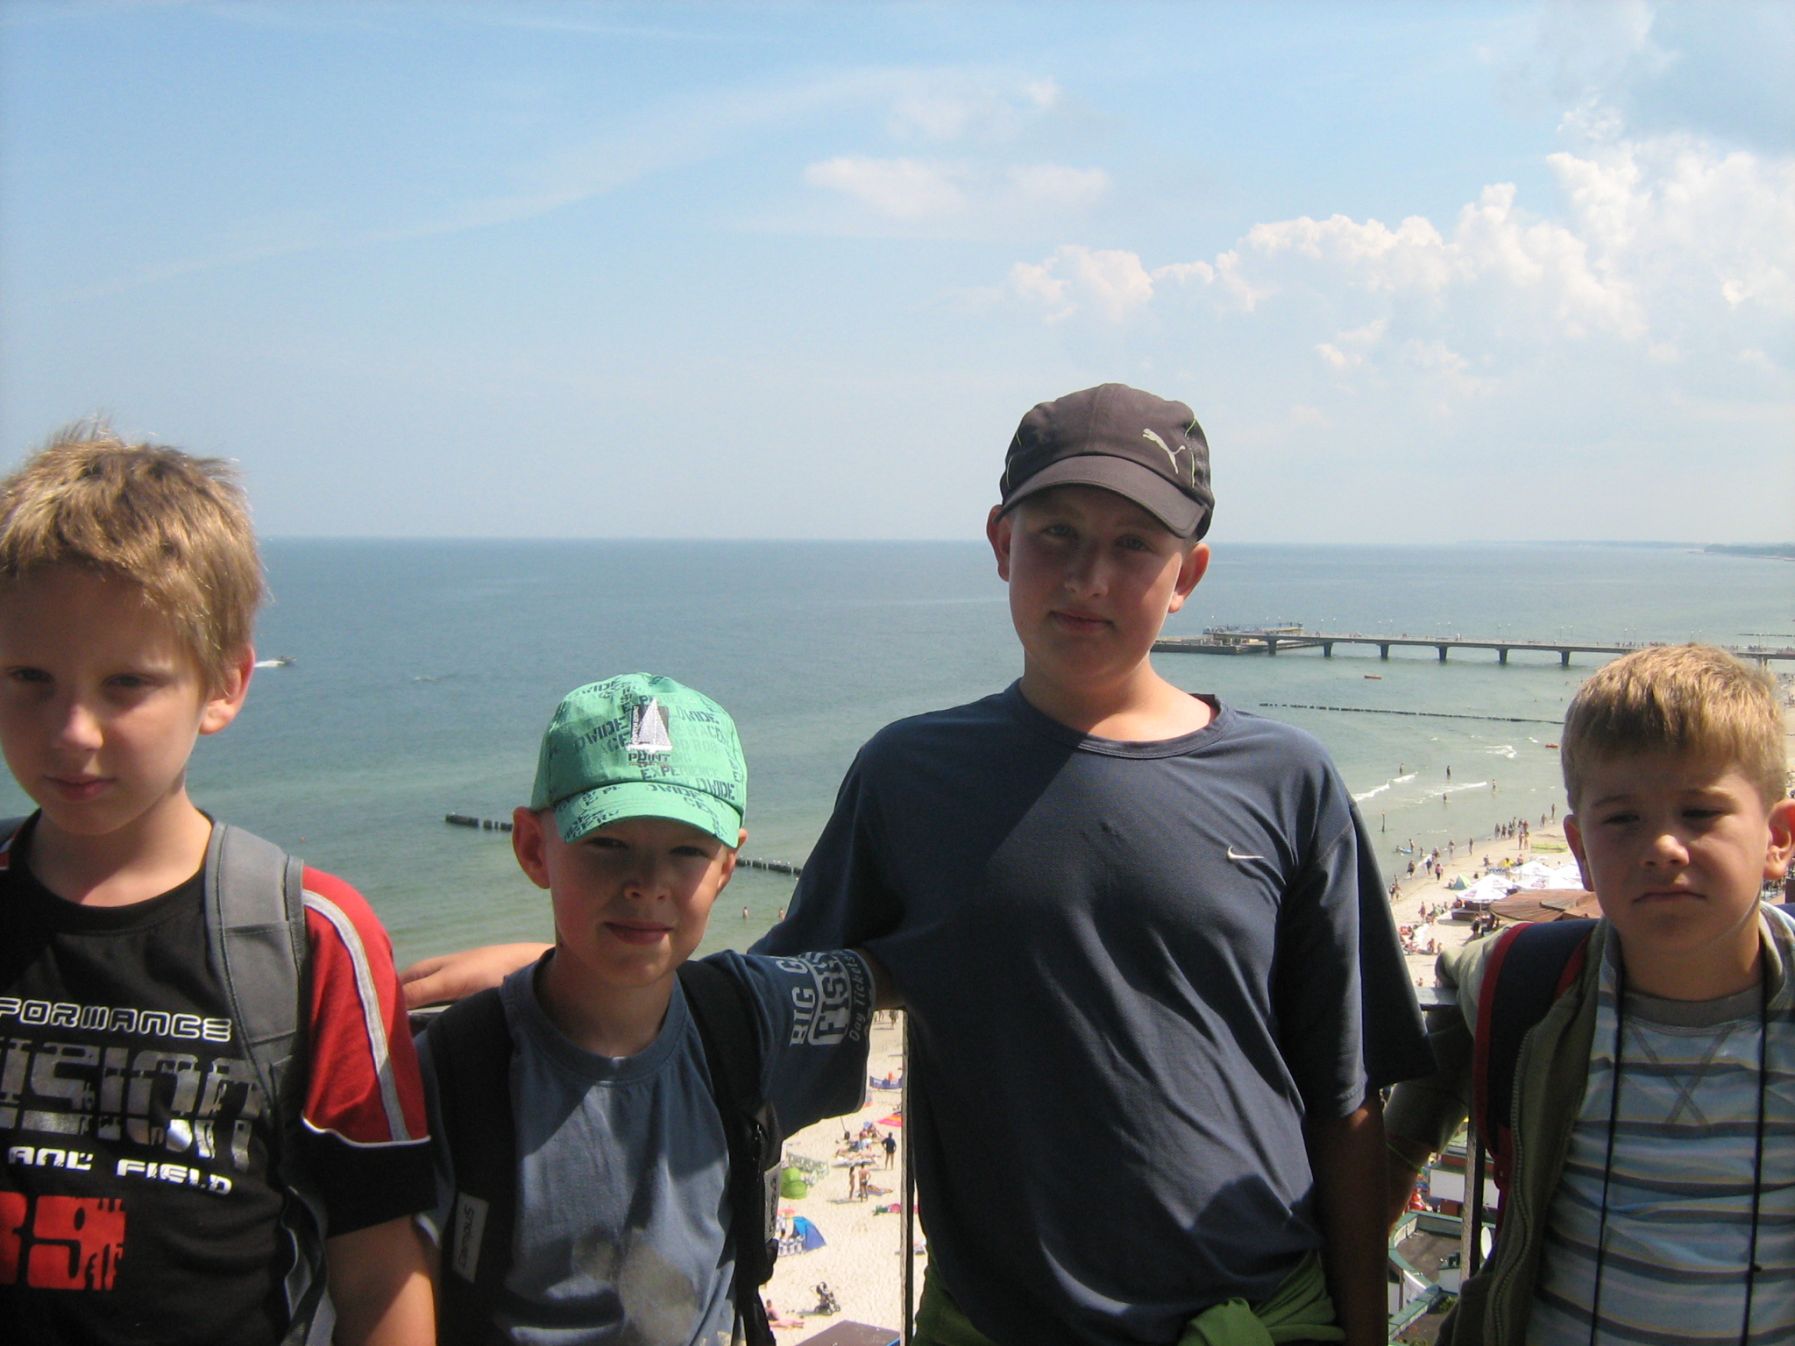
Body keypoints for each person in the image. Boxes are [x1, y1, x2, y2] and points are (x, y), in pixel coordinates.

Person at [754, 384, 1432, 1345]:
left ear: (1187, 573)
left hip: (1255, 1317)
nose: (1088, 577)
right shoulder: (909, 777)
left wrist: (1364, 1332)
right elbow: (776, 998)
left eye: (1134, 546)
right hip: (998, 1323)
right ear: (1001, 542)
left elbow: (1343, 1097)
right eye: (1056, 534)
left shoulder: (1286, 780)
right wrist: (570, 980)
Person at [0, 423, 434, 1344]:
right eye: (29, 677)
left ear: (226, 684)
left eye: (125, 683)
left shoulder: (307, 936)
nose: (71, 730)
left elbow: (378, 1262)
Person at [414, 673, 884, 1344]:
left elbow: (909, 970)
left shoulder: (748, 1014)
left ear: (726, 868)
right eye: (607, 843)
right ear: (532, 848)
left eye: (687, 850)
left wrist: (534, 955)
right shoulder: (456, 1067)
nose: (646, 884)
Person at [1385, 644, 1795, 1344]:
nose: (1662, 846)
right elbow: (1453, 982)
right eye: (1622, 819)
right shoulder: (1532, 984)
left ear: (1778, 839)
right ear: (1579, 848)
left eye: (1700, 812)